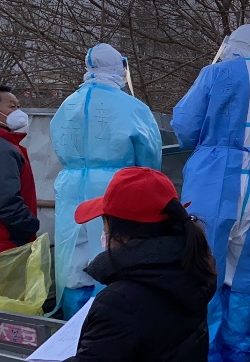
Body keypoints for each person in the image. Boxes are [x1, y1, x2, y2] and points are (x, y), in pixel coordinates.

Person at [172, 24, 250, 362]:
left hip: (212, 177)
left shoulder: (214, 73)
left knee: (203, 264)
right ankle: (238, 352)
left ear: (229, 45)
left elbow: (185, 125)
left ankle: (204, 352)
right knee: (245, 272)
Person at [50, 44, 163, 319]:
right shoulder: (132, 107)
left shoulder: (67, 105)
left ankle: (72, 328)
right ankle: (108, 321)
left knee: (73, 259)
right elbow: (149, 155)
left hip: (71, 185)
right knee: (112, 251)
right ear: (119, 68)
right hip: (116, 185)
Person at [64, 167, 216, 361]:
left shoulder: (120, 303)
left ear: (123, 235)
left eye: (105, 224)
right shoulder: (192, 268)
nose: (103, 233)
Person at [0, 86, 39, 260]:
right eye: (12, 107)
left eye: (19, 106)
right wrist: (29, 226)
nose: (19, 112)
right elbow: (2, 201)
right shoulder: (0, 149)